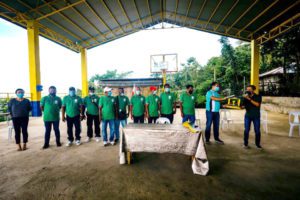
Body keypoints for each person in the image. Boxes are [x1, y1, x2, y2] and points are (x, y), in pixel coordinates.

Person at [241, 85, 262, 149]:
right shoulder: (245, 97)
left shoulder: (258, 96)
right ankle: (245, 144)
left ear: (253, 90)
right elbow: (243, 106)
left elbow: (257, 104)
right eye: (247, 89)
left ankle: (257, 144)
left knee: (257, 130)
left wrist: (249, 99)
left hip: (256, 116)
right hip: (248, 116)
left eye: (250, 89)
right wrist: (241, 106)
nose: (248, 90)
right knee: (246, 130)